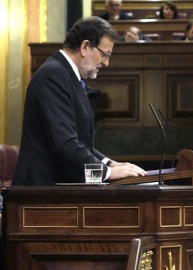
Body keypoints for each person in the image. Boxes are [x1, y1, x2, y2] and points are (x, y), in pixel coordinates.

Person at [12, 17, 146, 186]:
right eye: (105, 54)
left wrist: (109, 163)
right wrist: (108, 173)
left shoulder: (66, 75)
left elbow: (79, 141)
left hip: (55, 190)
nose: (106, 62)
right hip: (40, 192)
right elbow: (65, 144)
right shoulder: (53, 76)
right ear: (84, 47)